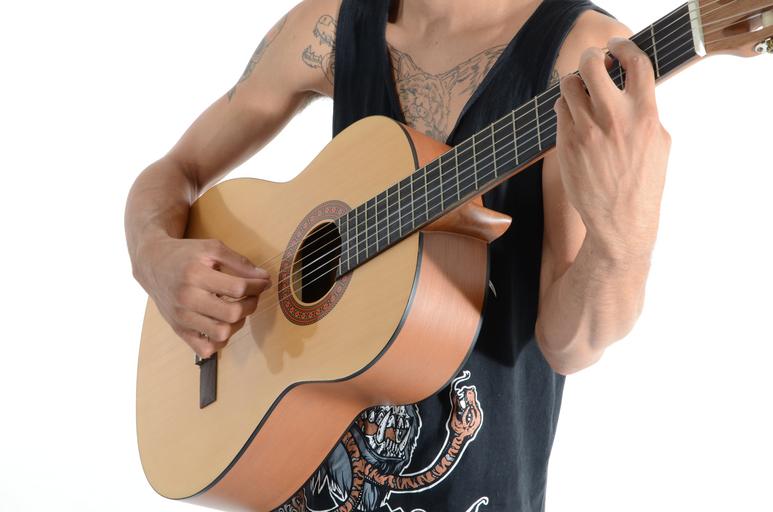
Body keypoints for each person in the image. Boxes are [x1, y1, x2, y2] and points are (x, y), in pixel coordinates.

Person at [125, 0, 672, 510]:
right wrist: (155, 258)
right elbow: (178, 171)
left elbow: (570, 344)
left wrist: (620, 243)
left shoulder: (579, 55)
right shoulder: (331, 27)